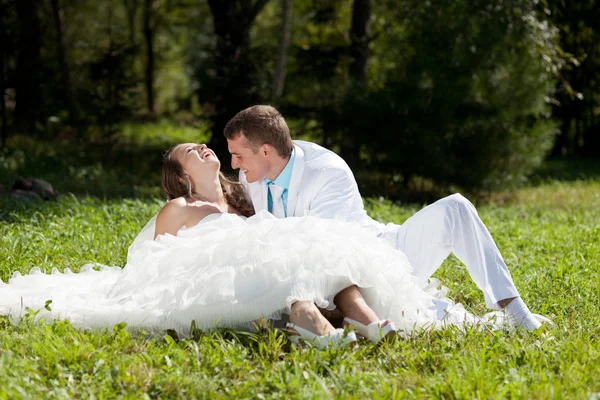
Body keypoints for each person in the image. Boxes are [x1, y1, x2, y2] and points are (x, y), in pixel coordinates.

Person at [4, 143, 495, 349]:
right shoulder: (180, 209)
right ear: (181, 177)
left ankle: (370, 324)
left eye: (202, 146)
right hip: (222, 268)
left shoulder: (247, 204)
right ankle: (314, 324)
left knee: (314, 247)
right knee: (284, 252)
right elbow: (156, 262)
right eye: (190, 154)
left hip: (268, 251)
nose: (203, 150)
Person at [225, 105, 551, 330]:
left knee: (456, 208)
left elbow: (320, 244)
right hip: (320, 281)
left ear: (266, 151)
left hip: (379, 259)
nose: (235, 164)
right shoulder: (251, 176)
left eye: (238, 155)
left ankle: (513, 308)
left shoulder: (327, 172)